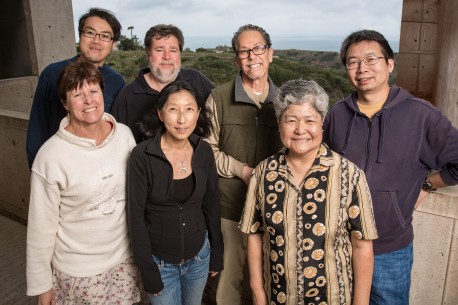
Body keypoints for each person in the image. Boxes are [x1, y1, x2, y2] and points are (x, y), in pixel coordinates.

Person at [323, 29, 458, 305]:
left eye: (371, 59)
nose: (362, 69)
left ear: (389, 64)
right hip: (337, 245)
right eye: (353, 62)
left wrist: (429, 183)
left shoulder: (422, 116)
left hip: (389, 250)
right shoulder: (336, 114)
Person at [239, 79, 378, 305]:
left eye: (309, 120)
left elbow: (362, 246)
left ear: (322, 122)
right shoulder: (263, 174)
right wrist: (258, 293)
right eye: (291, 120)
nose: (300, 130)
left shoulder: (350, 175)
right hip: (278, 299)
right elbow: (254, 235)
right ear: (279, 122)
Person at [26, 61, 140, 305]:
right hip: (80, 272)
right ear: (65, 103)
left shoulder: (124, 135)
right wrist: (42, 285)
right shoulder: (50, 157)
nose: (89, 100)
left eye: (94, 91)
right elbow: (40, 229)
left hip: (125, 261)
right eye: (78, 94)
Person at [204, 24, 283, 305]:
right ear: (236, 58)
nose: (252, 56)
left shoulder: (286, 101)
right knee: (229, 283)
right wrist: (243, 171)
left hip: (276, 210)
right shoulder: (219, 97)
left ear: (270, 53)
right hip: (230, 208)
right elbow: (206, 151)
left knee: (270, 280)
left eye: (258, 48)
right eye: (244, 51)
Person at [127, 80, 223, 305]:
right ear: (160, 114)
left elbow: (211, 204)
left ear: (198, 113)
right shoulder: (142, 156)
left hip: (199, 257)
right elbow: (135, 218)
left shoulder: (204, 150)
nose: (182, 119)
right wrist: (148, 272)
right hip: (160, 265)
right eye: (173, 109)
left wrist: (217, 254)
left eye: (189, 109)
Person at [26, 7, 125, 169]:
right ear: (80, 36)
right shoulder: (51, 74)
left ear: (113, 44)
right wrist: (40, 173)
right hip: (58, 167)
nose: (96, 40)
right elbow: (37, 130)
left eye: (105, 36)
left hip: (98, 169)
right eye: (90, 32)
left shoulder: (117, 82)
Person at [111, 24, 214, 143]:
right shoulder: (126, 97)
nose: (166, 56)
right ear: (148, 53)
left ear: (180, 54)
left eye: (173, 50)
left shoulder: (197, 80)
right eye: (159, 50)